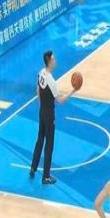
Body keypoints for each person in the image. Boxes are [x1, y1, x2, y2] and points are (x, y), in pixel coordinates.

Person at [30, 51, 75, 185]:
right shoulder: (51, 81)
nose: (55, 60)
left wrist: (41, 107)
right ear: (49, 62)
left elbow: (38, 91)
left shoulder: (41, 73)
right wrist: (72, 91)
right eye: (53, 59)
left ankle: (33, 167)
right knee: (49, 144)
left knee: (40, 139)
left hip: (42, 111)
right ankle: (46, 176)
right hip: (49, 115)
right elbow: (60, 100)